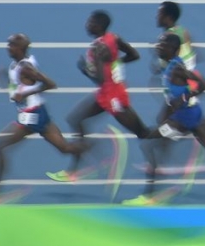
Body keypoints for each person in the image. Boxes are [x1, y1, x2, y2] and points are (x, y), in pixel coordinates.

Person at [0, 34, 89, 205]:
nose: (8, 47)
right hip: (39, 113)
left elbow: (51, 84)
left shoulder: (26, 68)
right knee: (65, 148)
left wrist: (23, 93)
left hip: (32, 116)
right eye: (8, 44)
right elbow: (19, 87)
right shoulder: (16, 65)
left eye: (12, 45)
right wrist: (10, 84)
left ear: (20, 48)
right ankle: (96, 150)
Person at [123, 34, 205, 206]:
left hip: (183, 119)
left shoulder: (177, 68)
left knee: (149, 145)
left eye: (163, 45)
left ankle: (149, 197)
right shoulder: (169, 65)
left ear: (172, 50)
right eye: (159, 44)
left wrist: (184, 97)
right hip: (194, 114)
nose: (159, 47)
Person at [52, 10, 149, 182]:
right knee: (75, 119)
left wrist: (84, 69)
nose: (87, 25)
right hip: (106, 93)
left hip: (113, 97)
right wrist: (115, 62)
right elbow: (134, 55)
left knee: (143, 132)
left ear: (98, 26)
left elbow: (100, 79)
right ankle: (74, 169)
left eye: (90, 22)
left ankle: (171, 138)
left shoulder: (98, 48)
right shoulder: (114, 38)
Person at [157, 0, 197, 70]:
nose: (157, 16)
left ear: (168, 17)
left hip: (177, 76)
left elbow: (172, 62)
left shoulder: (168, 38)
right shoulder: (184, 31)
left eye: (160, 14)